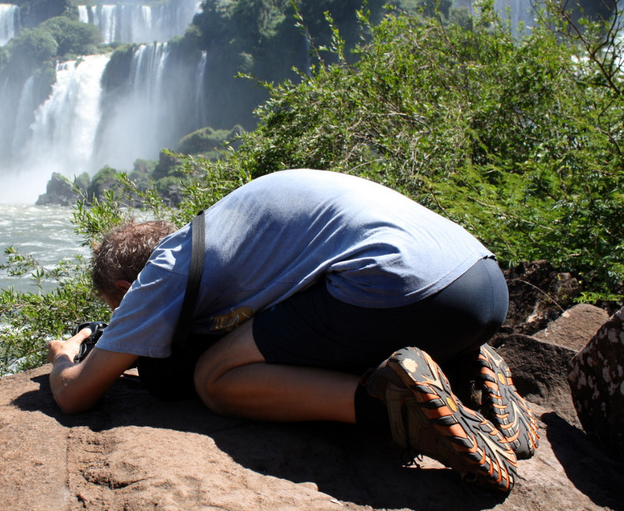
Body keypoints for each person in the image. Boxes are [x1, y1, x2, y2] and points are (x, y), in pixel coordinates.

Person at [47, 169, 539, 493]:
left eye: (121, 310)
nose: (126, 323)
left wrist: (65, 354)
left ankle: (397, 408)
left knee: (216, 378)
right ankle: (460, 366)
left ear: (126, 285)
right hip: (480, 284)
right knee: (295, 337)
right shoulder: (226, 229)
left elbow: (74, 397)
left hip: (400, 289)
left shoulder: (162, 272)